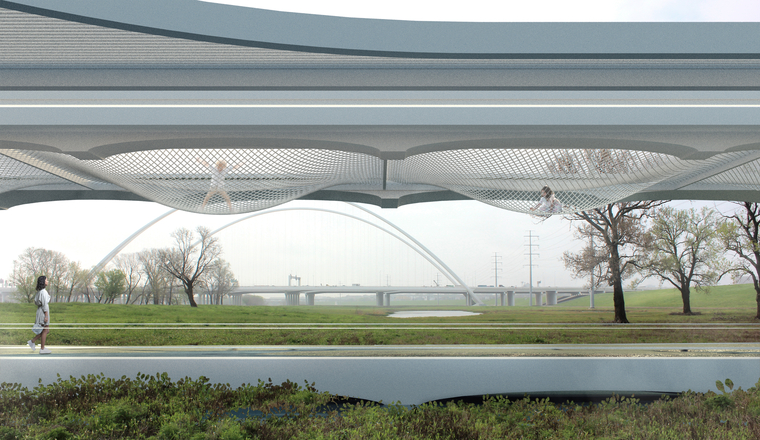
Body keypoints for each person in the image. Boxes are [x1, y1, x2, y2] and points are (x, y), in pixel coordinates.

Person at [27, 275, 51, 355]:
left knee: (46, 330)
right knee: (45, 330)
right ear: (43, 282)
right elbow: (44, 304)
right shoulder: (43, 292)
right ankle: (42, 349)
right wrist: (46, 316)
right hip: (43, 312)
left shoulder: (40, 292)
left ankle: (32, 341)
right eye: (46, 280)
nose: (47, 281)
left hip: (41, 311)